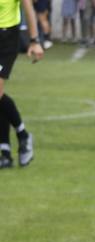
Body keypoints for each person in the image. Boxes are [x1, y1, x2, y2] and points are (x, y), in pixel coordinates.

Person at [0, 0, 43, 170]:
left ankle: (22, 134)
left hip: (7, 38)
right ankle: (5, 151)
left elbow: (28, 7)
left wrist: (34, 40)